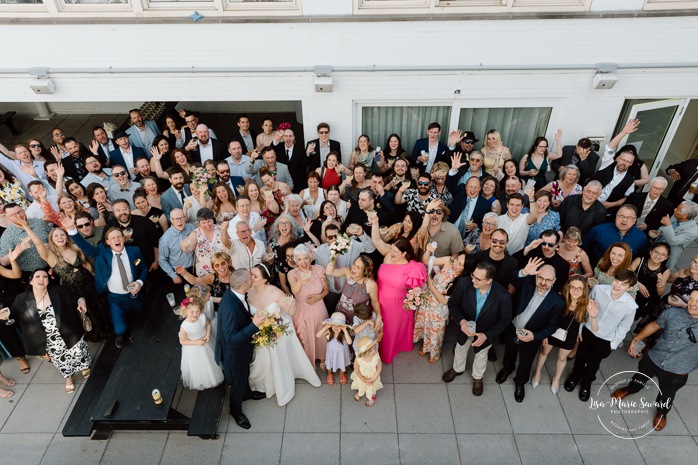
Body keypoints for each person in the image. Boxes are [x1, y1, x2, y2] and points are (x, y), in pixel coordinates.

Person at [610, 288, 698, 432]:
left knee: (667, 394)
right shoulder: (672, 313)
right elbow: (654, 326)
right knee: (640, 376)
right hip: (655, 357)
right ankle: (630, 389)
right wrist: (636, 339)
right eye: (692, 299)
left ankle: (662, 413)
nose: (693, 304)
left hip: (678, 370)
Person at [64, 214, 148, 349]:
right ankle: (122, 332)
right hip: (115, 298)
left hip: (134, 294)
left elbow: (143, 268)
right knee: (120, 329)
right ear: (108, 242)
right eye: (113, 238)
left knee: (141, 317)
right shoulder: (102, 252)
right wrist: (71, 229)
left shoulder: (134, 251)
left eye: (119, 236)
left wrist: (139, 282)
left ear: (124, 238)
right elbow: (84, 246)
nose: (117, 239)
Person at [19, 221, 110, 342]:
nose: (60, 237)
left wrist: (97, 279)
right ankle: (95, 334)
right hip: (71, 288)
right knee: (84, 312)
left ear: (66, 237)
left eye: (62, 234)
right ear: (52, 240)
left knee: (98, 305)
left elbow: (86, 265)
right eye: (56, 236)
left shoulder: (75, 248)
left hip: (88, 283)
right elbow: (39, 244)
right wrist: (26, 227)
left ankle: (108, 329)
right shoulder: (51, 256)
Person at [1, 270, 91, 393]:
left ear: (48, 281)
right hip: (49, 339)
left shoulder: (59, 291)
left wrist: (81, 301)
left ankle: (84, 367)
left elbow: (77, 297)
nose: (42, 279)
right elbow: (13, 313)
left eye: (45, 276)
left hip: (68, 331)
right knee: (60, 360)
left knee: (79, 352)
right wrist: (5, 315)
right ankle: (68, 378)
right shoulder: (21, 299)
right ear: (31, 281)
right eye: (37, 276)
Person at [246, 264, 321, 405]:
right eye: (251, 274)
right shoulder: (248, 292)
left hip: (278, 329)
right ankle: (265, 383)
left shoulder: (275, 292)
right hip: (258, 330)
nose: (251, 278)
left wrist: (291, 304)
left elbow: (291, 311)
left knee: (275, 349)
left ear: (264, 279)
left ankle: (281, 383)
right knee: (260, 354)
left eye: (255, 276)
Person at [496, 261, 565, 402]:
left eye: (548, 280)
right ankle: (507, 369)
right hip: (513, 328)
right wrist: (524, 271)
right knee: (509, 351)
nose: (543, 282)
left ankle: (520, 382)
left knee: (526, 361)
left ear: (554, 281)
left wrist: (535, 336)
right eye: (540, 277)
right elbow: (511, 278)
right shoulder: (527, 283)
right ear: (536, 276)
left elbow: (553, 326)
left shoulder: (558, 302)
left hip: (532, 337)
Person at [564, 270, 638, 402]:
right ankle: (575, 376)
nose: (617, 285)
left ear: (629, 288)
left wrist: (612, 345)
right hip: (587, 331)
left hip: (605, 339)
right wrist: (580, 329)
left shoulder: (630, 306)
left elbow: (624, 328)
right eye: (616, 281)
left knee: (593, 363)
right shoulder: (598, 290)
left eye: (623, 284)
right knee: (580, 356)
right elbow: (585, 309)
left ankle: (586, 383)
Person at [442, 262, 512, 396]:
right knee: (460, 348)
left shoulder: (503, 296)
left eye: (478, 279)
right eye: (473, 276)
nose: (473, 280)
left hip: (485, 333)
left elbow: (505, 320)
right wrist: (462, 322)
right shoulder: (464, 283)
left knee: (481, 355)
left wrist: (486, 335)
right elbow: (453, 304)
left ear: (489, 280)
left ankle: (477, 378)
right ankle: (457, 369)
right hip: (464, 328)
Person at [214, 269, 266, 430]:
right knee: (236, 385)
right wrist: (255, 325)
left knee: (245, 374)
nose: (252, 278)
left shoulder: (234, 294)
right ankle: (236, 411)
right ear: (244, 285)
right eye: (251, 278)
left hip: (242, 351)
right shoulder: (229, 307)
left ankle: (247, 393)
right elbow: (231, 339)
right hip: (233, 356)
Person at [370, 220, 427, 364]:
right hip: (377, 299)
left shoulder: (413, 268)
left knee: (389, 331)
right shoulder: (389, 255)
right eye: (392, 250)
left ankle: (387, 353)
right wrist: (376, 223)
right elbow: (376, 240)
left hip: (396, 306)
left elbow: (418, 290)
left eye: (395, 251)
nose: (391, 252)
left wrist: (413, 301)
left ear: (404, 253)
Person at [531, 275, 593, 396]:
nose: (576, 291)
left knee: (562, 358)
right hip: (552, 331)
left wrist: (580, 331)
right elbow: (547, 317)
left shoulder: (586, 305)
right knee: (544, 352)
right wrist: (544, 335)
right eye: (573, 287)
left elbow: (585, 322)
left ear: (584, 290)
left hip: (570, 334)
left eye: (579, 288)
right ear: (568, 287)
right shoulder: (560, 298)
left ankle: (556, 379)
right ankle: (537, 372)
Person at [415, 245, 470, 364]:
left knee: (435, 331)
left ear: (465, 269)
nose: (455, 263)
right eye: (457, 260)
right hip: (427, 300)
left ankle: (434, 353)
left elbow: (446, 301)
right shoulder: (448, 261)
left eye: (460, 264)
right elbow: (426, 261)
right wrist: (428, 251)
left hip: (439, 308)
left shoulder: (461, 281)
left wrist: (431, 286)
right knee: (425, 324)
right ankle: (425, 346)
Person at [288, 244, 329, 368]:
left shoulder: (319, 269)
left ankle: (322, 357)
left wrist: (318, 297)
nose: (303, 262)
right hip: (302, 310)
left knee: (320, 334)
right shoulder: (292, 274)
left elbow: (326, 289)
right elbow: (294, 292)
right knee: (305, 336)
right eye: (299, 259)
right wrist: (300, 282)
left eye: (305, 258)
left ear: (310, 257)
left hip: (318, 308)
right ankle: (307, 359)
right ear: (295, 260)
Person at [178, 296, 225, 391]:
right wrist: (197, 342)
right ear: (185, 311)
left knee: (210, 360)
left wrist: (207, 334)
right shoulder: (184, 326)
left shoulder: (202, 317)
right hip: (194, 347)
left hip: (206, 342)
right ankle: (204, 380)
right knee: (199, 366)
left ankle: (213, 376)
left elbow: (208, 324)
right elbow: (182, 341)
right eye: (192, 312)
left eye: (197, 311)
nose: (195, 314)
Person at [326, 251, 381, 325]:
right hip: (340, 315)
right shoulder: (347, 272)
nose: (353, 268)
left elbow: (375, 302)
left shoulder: (371, 284)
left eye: (358, 267)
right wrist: (333, 257)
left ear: (365, 271)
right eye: (354, 264)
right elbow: (329, 272)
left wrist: (378, 317)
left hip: (356, 320)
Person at [583, 205, 648, 267]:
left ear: (634, 221)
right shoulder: (598, 230)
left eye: (629, 218)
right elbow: (582, 249)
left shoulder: (641, 237)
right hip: (594, 269)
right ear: (616, 217)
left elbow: (640, 258)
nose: (624, 220)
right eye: (621, 216)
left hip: (621, 275)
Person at [630, 242, 671, 322]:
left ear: (666, 257)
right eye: (656, 252)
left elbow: (660, 293)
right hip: (632, 292)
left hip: (646, 300)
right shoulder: (640, 260)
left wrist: (660, 284)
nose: (658, 256)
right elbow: (628, 274)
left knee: (632, 317)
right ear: (650, 251)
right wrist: (637, 283)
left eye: (663, 254)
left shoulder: (666, 271)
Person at [186, 208, 231, 277]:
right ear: (199, 223)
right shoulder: (195, 233)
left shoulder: (221, 229)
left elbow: (229, 245)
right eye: (203, 222)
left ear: (213, 219)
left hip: (223, 270)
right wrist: (186, 246)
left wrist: (225, 231)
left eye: (209, 221)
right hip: (205, 273)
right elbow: (190, 247)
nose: (207, 224)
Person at [654, 201, 698, 270]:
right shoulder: (676, 216)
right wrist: (658, 232)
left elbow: (673, 241)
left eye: (678, 209)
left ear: (684, 216)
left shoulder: (693, 231)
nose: (675, 209)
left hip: (669, 253)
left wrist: (668, 225)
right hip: (657, 245)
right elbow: (665, 227)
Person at [316, 312, 353, 385]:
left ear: (342, 326)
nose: (336, 327)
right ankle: (329, 372)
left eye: (339, 325)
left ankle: (342, 373)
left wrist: (345, 330)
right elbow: (318, 335)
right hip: (332, 352)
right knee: (330, 361)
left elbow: (349, 342)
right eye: (334, 325)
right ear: (331, 325)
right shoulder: (329, 332)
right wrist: (326, 327)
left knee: (342, 361)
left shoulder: (343, 333)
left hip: (342, 352)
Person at [351, 336, 383, 407]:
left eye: (374, 348)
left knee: (372, 387)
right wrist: (362, 378)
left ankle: (372, 395)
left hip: (373, 376)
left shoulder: (376, 356)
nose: (374, 351)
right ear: (365, 353)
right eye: (371, 350)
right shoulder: (359, 358)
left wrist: (373, 379)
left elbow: (379, 367)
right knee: (361, 384)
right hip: (362, 375)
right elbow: (356, 368)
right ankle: (360, 391)